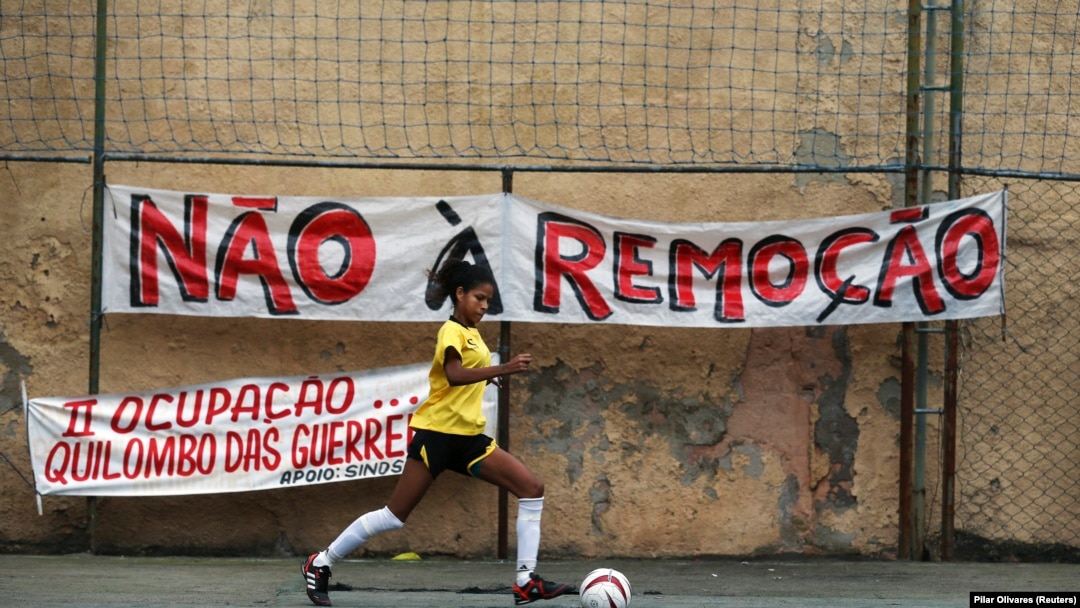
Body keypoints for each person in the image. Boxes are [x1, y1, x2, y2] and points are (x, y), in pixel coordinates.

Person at [301, 258, 574, 607]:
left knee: (532, 488)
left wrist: (487, 374)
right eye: (479, 298)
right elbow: (454, 374)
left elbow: (467, 372)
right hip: (438, 437)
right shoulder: (451, 331)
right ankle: (321, 561)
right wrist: (503, 368)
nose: (485, 306)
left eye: (489, 301)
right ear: (459, 295)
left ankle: (526, 582)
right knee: (393, 516)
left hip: (469, 440)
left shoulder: (473, 334)